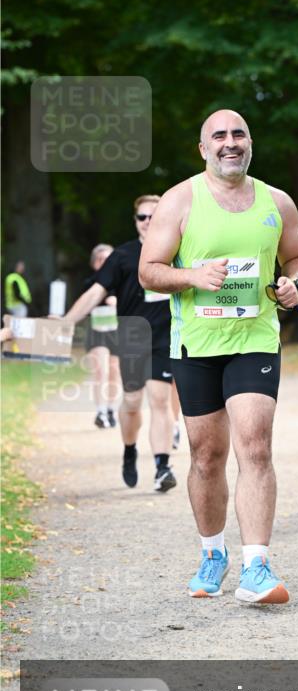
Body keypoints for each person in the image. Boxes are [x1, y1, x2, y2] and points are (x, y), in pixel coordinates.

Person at [138, 109, 298, 604]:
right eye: (219, 135)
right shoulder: (180, 200)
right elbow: (150, 271)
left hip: (254, 337)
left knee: (255, 446)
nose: (230, 143)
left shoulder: (276, 201)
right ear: (203, 148)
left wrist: (293, 284)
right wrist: (193, 276)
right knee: (207, 456)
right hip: (196, 345)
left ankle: (256, 566)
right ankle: (213, 554)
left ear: (250, 142)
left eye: (239, 134)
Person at [64, 196, 177, 493]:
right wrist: (67, 321)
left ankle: (163, 467)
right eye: (142, 217)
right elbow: (94, 293)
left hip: (166, 336)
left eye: (154, 216)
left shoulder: (178, 251)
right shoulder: (123, 256)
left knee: (161, 401)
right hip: (132, 337)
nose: (148, 222)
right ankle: (129, 450)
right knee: (131, 403)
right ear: (135, 221)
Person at [84, 244, 121, 429]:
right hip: (97, 333)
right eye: (99, 259)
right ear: (94, 263)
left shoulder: (121, 282)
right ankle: (100, 411)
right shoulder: (91, 283)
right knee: (101, 371)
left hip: (116, 333)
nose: (103, 262)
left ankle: (110, 409)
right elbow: (87, 304)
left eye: (107, 258)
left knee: (114, 374)